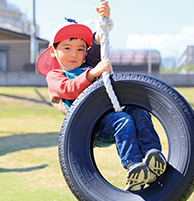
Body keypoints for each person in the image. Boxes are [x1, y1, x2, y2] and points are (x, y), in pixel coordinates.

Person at [36, 1, 166, 191]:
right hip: (90, 127)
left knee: (138, 111)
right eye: (67, 48)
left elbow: (96, 48)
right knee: (123, 119)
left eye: (80, 49)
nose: (74, 54)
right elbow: (69, 89)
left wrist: (102, 24)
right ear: (53, 51)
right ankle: (134, 167)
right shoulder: (55, 75)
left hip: (110, 115)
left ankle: (152, 156)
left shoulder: (86, 64)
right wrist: (91, 74)